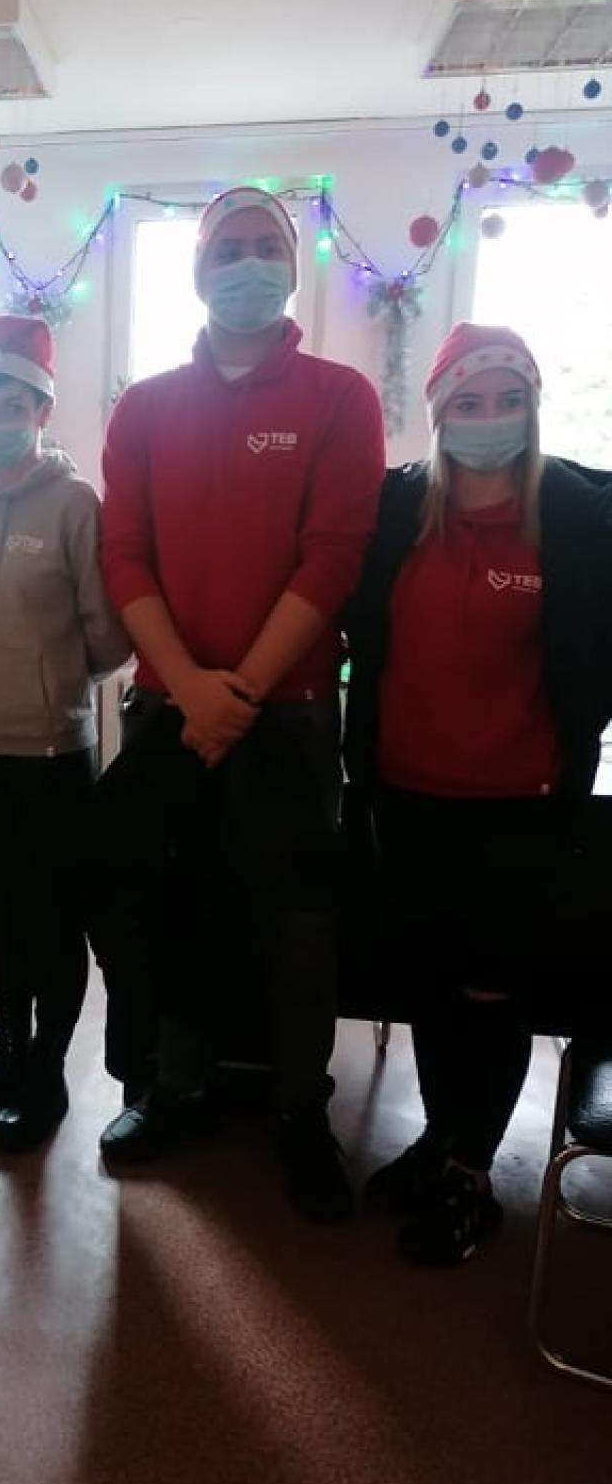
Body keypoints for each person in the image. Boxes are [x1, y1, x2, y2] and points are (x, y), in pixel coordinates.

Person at [91, 185, 386, 1223]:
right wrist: (188, 687)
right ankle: (176, 1088)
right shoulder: (144, 407)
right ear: (198, 270)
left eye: (267, 247)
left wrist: (243, 690)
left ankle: (301, 1111)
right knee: (173, 908)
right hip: (168, 708)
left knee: (297, 929)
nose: (248, 263)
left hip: (289, 713)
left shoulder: (340, 397)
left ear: (293, 267)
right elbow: (125, 555)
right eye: (229, 248)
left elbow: (334, 556)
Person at [343, 322, 612, 1265]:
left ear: (532, 407)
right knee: (429, 975)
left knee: (489, 988)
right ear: (439, 410)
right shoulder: (398, 509)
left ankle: (471, 1171)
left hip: (517, 803)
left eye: (508, 399)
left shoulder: (574, 514)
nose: (489, 416)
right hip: (407, 792)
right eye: (469, 400)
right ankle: (440, 1137)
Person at [0, 316, 130, 1152]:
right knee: (1, 906)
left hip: (51, 750)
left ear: (42, 411)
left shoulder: (75, 503)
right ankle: (8, 1054)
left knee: (52, 916)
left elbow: (107, 634)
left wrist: (54, 682)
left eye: (12, 404)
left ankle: (47, 1069)